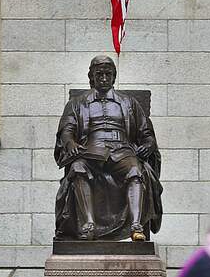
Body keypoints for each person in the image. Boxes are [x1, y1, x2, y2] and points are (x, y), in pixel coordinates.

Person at [53, 54, 163, 241]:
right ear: (92, 77)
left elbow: (147, 133)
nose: (104, 78)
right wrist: (70, 142)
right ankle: (88, 225)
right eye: (99, 74)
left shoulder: (129, 102)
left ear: (114, 77)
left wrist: (148, 145)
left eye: (108, 74)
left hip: (122, 150)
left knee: (136, 170)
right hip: (91, 151)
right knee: (77, 168)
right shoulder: (77, 103)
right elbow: (67, 129)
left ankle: (136, 227)